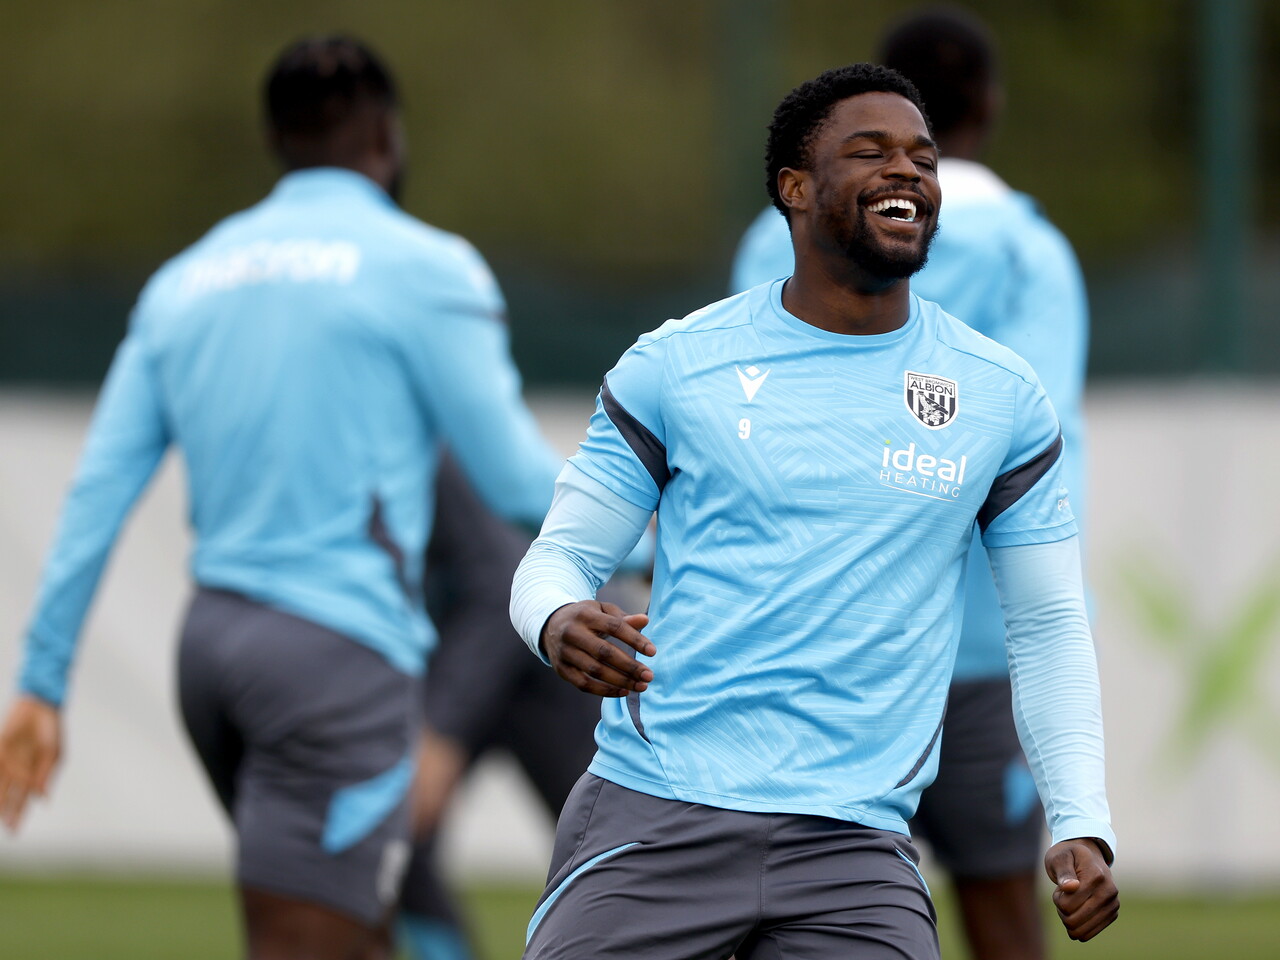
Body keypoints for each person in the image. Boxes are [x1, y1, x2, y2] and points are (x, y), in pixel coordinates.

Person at [509, 63, 1118, 959]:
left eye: (922, 156)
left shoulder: (999, 396)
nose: (906, 171)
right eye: (869, 152)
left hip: (855, 850)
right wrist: (557, 619)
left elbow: (1048, 621)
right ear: (795, 189)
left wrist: (1081, 816)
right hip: (654, 816)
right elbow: (556, 557)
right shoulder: (675, 365)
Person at [0, 35, 562, 960]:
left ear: (274, 138)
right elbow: (511, 480)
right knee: (312, 942)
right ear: (387, 136)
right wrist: (670, 524)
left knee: (362, 933)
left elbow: (97, 493)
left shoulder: (183, 282)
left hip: (212, 657)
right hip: (334, 671)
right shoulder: (426, 266)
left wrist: (40, 683)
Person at [730, 9, 1090, 959]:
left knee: (773, 914)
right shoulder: (1030, 251)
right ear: (993, 106)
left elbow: (737, 420)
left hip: (803, 653)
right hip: (970, 654)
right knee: (1005, 919)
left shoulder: (785, 228)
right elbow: (1033, 444)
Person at [397, 453, 648, 960]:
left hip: (547, 667)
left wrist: (441, 728)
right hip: (452, 658)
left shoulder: (429, 451)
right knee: (395, 834)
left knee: (620, 854)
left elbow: (496, 584)